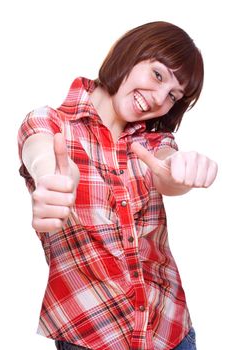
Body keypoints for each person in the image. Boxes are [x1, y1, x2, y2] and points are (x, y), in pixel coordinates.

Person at [18, 21, 218, 350]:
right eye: (157, 74)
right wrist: (50, 179)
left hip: (170, 331)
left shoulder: (154, 139)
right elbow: (39, 152)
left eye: (173, 95)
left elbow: (166, 169)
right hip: (91, 335)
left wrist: (181, 171)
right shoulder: (50, 123)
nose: (158, 98)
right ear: (129, 53)